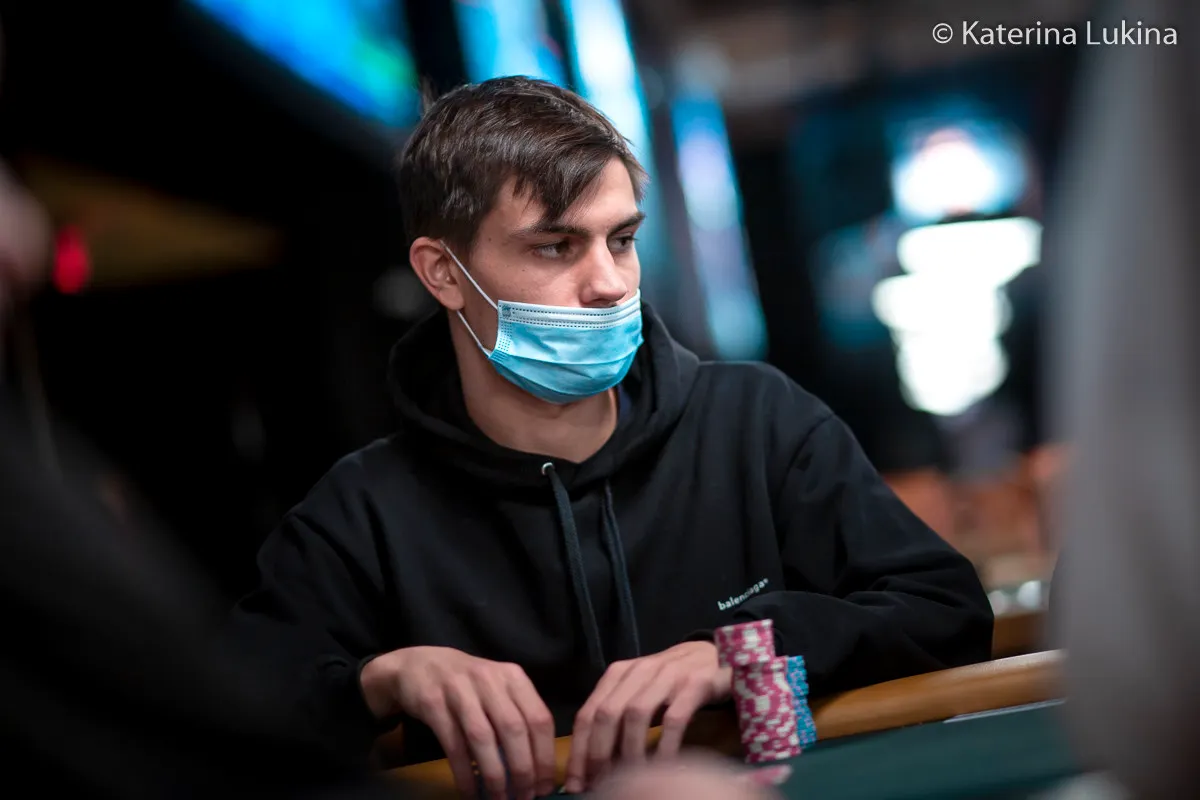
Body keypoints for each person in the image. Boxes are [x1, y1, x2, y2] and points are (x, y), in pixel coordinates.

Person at [230, 76, 993, 798]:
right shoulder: (363, 511)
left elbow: (947, 612)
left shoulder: (757, 422)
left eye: (621, 239)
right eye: (556, 247)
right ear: (444, 273)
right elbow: (233, 715)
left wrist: (739, 651)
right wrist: (382, 680)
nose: (610, 282)